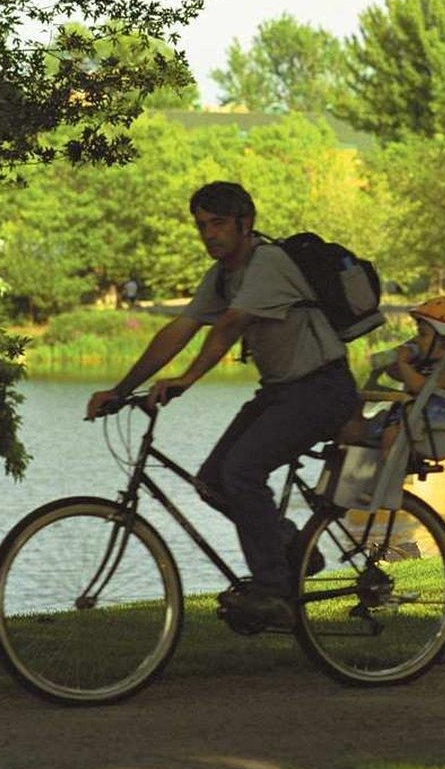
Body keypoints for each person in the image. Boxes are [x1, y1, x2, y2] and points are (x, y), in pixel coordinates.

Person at [85, 181, 359, 631]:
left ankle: (275, 591)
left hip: (322, 389)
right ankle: (291, 550)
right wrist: (121, 388)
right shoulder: (223, 276)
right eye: (201, 226)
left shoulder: (267, 263)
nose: (208, 234)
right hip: (281, 391)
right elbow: (182, 327)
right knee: (212, 480)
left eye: (217, 224)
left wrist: (187, 379)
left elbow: (230, 325)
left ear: (245, 223)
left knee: (241, 473)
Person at [336, 296, 445, 452]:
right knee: (348, 423)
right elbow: (396, 375)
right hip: (405, 420)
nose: (416, 340)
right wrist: (393, 360)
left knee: (389, 434)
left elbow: (419, 386)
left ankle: (389, 471)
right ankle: (344, 450)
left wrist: (403, 363)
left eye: (422, 335)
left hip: (425, 428)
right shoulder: (428, 364)